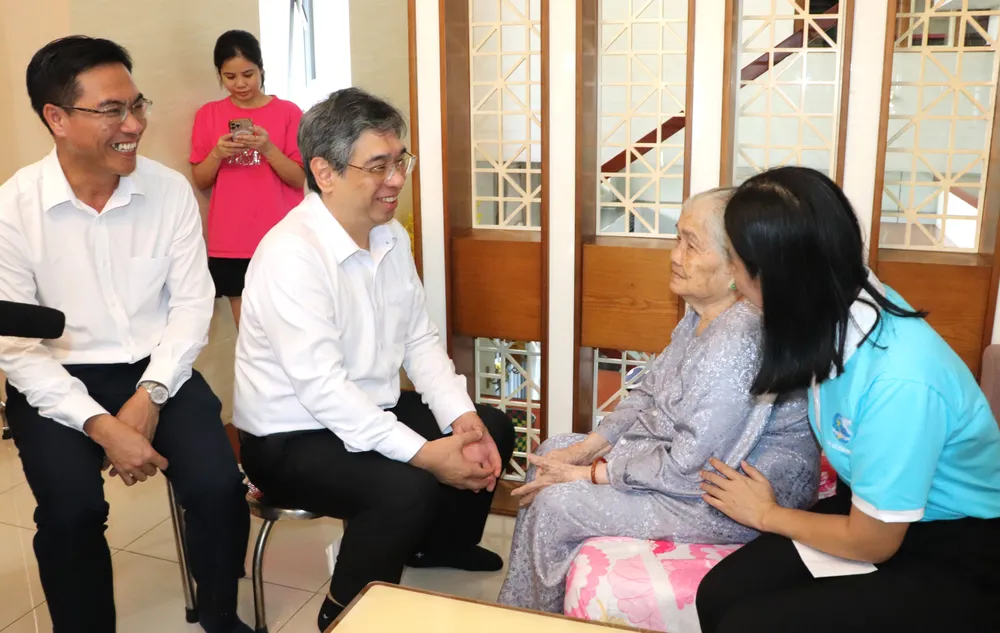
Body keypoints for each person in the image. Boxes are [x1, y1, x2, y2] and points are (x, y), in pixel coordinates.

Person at [232, 87, 516, 631]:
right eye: (379, 165)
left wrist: (460, 417)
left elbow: (419, 339)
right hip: (292, 435)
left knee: (492, 428)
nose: (396, 179)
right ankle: (344, 613)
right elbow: (324, 390)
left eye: (401, 161)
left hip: (368, 408)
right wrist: (425, 454)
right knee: (405, 485)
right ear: (325, 172)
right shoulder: (292, 254)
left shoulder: (390, 236)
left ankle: (436, 547)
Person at [0, 36, 252, 633]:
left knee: (220, 486)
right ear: (56, 118)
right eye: (112, 110)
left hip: (157, 367)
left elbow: (191, 304)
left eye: (137, 105)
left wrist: (151, 394)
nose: (134, 125)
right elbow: (16, 344)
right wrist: (100, 423)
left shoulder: (167, 191)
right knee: (71, 512)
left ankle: (218, 612)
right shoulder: (13, 209)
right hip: (56, 377)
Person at [695, 166, 1000, 633]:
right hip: (873, 509)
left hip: (953, 544)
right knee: (717, 595)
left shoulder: (900, 381)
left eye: (734, 261)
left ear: (774, 275)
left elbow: (873, 541)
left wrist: (767, 514)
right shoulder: (832, 304)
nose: (732, 276)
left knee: (750, 625)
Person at [496, 188, 820, 613]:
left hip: (730, 493)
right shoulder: (702, 314)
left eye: (691, 244)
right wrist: (589, 448)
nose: (674, 255)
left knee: (559, 504)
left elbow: (693, 468)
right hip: (687, 462)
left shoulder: (739, 337)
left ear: (735, 265)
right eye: (677, 238)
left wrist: (593, 475)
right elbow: (650, 391)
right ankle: (523, 612)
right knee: (553, 451)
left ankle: (541, 621)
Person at [190, 29, 305, 326]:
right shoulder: (208, 115)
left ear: (261, 69)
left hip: (282, 235)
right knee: (249, 334)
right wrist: (218, 153)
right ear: (219, 74)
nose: (240, 84)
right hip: (231, 239)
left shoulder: (289, 112)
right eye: (230, 77)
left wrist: (268, 148)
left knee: (291, 325)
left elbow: (298, 178)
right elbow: (201, 180)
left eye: (248, 74)